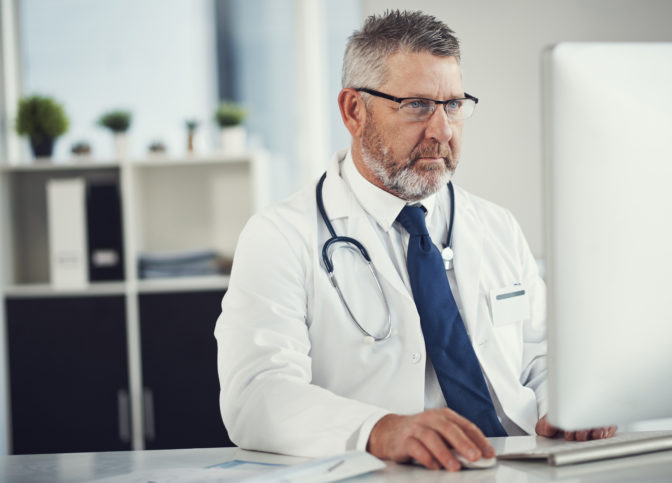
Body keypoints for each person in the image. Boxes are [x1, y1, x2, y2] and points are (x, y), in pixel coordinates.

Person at [215, 9, 615, 472]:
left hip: (525, 463)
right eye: (417, 106)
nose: (442, 131)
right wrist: (379, 429)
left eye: (453, 105)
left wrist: (565, 408)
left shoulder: (496, 225)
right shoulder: (281, 236)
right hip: (392, 473)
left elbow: (541, 357)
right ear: (354, 111)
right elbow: (256, 394)